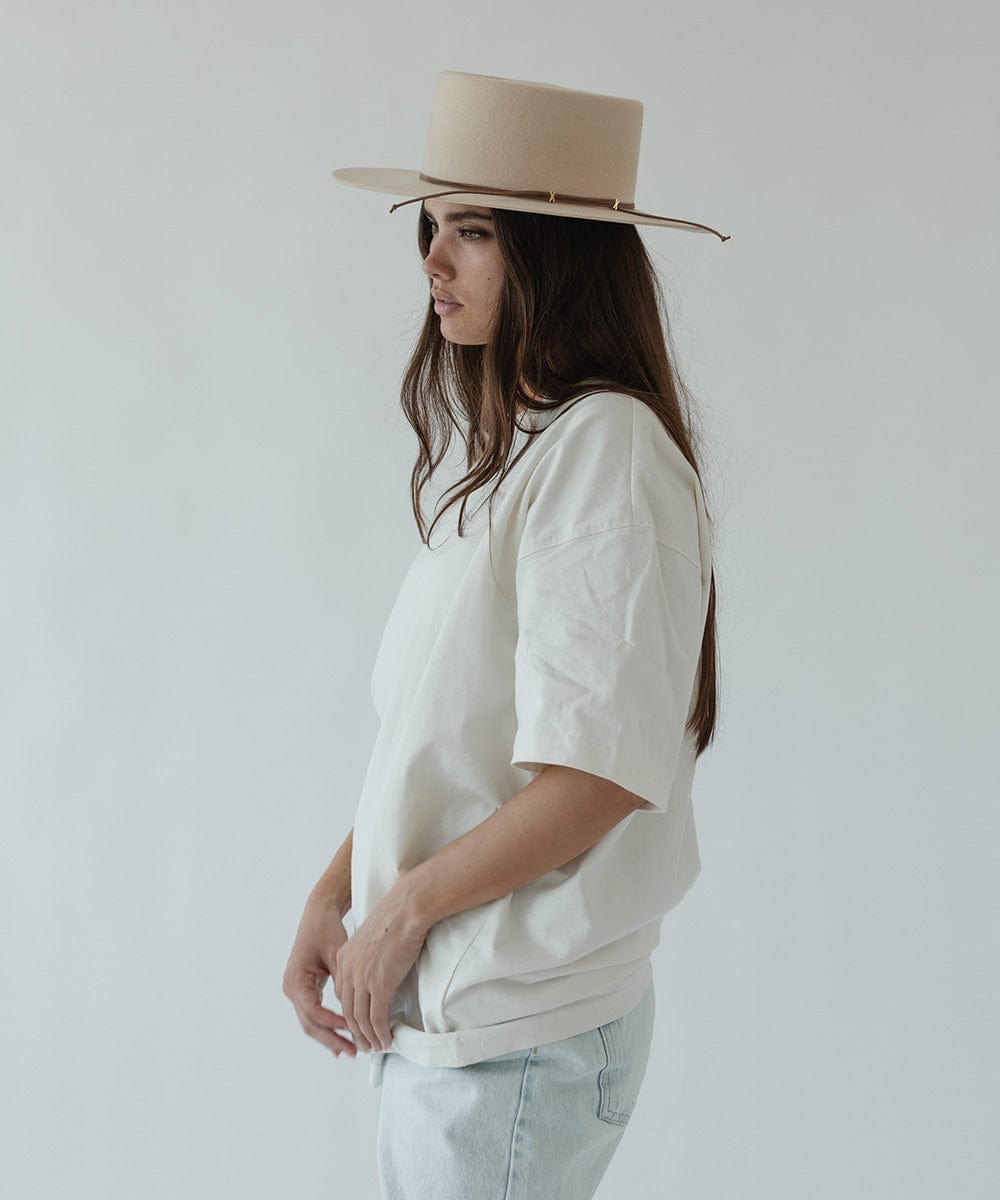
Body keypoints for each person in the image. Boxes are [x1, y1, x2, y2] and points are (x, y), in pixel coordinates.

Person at [283, 70, 729, 1199]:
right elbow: (448, 744)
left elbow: (594, 774)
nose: (431, 261)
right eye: (430, 229)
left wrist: (401, 912)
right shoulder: (524, 453)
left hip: (512, 1043)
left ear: (555, 255)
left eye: (471, 232)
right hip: (468, 1028)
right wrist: (337, 895)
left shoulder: (605, 453)